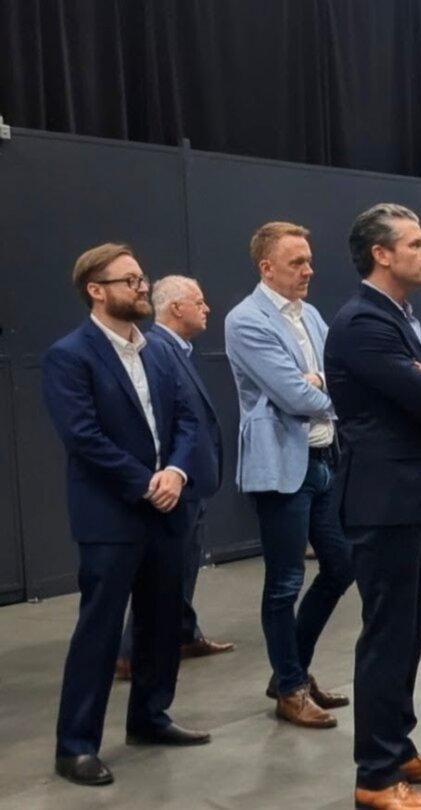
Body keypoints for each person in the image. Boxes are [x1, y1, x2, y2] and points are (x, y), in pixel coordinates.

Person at [43, 244, 210, 787]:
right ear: (96, 289)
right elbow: (83, 438)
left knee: (162, 623)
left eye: (143, 278)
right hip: (111, 518)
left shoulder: (160, 351)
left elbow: (188, 420)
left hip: (167, 508)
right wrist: (145, 483)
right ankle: (76, 747)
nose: (142, 288)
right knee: (99, 631)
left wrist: (178, 474)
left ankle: (149, 717)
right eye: (130, 280)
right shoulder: (70, 355)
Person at [325, 203, 421, 810]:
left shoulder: (402, 318)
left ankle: (398, 745)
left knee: (407, 633)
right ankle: (376, 777)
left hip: (412, 499)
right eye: (414, 244)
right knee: (386, 637)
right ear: (381, 254)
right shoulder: (363, 324)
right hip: (382, 502)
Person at [224, 222, 354, 729]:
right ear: (267, 268)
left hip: (322, 461)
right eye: (297, 261)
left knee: (341, 567)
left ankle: (289, 673)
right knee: (284, 583)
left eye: (309, 259)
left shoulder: (313, 315)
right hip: (281, 469)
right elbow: (295, 396)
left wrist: (319, 381)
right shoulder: (246, 321)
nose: (309, 269)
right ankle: (292, 686)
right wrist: (321, 386)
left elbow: (331, 377)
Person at [115, 276, 233, 680]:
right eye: (199, 302)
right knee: (165, 569)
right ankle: (130, 653)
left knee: (185, 564)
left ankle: (184, 632)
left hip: (191, 480)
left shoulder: (177, 350)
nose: (207, 309)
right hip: (175, 482)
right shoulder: (158, 351)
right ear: (176, 309)